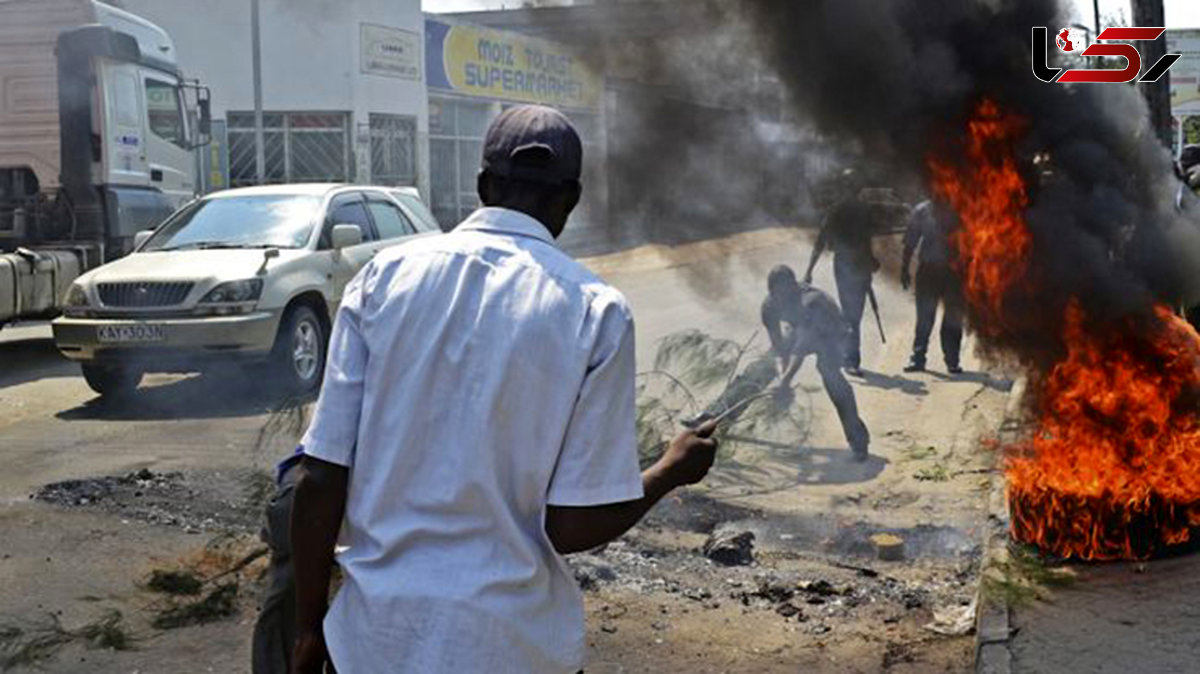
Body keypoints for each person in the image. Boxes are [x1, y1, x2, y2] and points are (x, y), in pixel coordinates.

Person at [288, 105, 719, 674]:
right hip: (512, 646)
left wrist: (307, 625)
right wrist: (669, 471)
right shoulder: (595, 310)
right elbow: (572, 525)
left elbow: (320, 475)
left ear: (483, 186)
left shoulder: (382, 278)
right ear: (571, 199)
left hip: (375, 640)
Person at [763, 265, 870, 460]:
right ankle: (716, 414)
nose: (780, 299)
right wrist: (781, 377)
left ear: (793, 288)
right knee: (761, 367)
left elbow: (801, 349)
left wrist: (785, 381)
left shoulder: (810, 302)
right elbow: (779, 349)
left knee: (832, 377)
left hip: (832, 332)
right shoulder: (769, 306)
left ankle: (858, 441)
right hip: (800, 331)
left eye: (784, 293)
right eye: (775, 294)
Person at [803, 169, 880, 378]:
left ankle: (847, 358)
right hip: (858, 264)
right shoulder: (864, 209)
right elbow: (868, 239)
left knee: (850, 315)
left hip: (847, 264)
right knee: (853, 316)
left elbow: (820, 242)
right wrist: (871, 261)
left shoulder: (835, 210)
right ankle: (850, 359)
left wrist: (809, 270)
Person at [900, 199, 964, 374]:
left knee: (953, 317)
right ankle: (918, 358)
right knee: (924, 316)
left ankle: (952, 360)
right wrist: (904, 269)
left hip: (954, 273)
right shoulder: (922, 210)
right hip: (928, 272)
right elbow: (910, 242)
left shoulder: (962, 206)